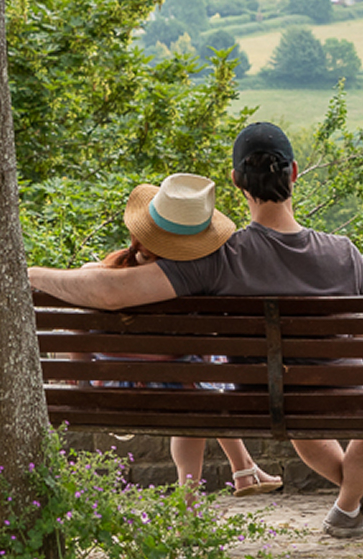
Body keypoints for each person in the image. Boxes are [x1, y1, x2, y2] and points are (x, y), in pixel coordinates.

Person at [29, 123, 363, 538]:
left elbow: (111, 292)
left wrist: (32, 273)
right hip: (341, 394)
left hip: (261, 401)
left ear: (236, 182)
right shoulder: (346, 253)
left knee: (298, 409)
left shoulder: (222, 257)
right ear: (292, 174)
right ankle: (347, 507)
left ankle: (355, 497)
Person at [36, 173, 282, 497]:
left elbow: (79, 342)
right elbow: (207, 358)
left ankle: (244, 468)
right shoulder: (194, 294)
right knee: (200, 381)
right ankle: (198, 493)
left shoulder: (93, 278)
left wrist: (82, 382)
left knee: (196, 381)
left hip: (108, 388)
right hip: (179, 394)